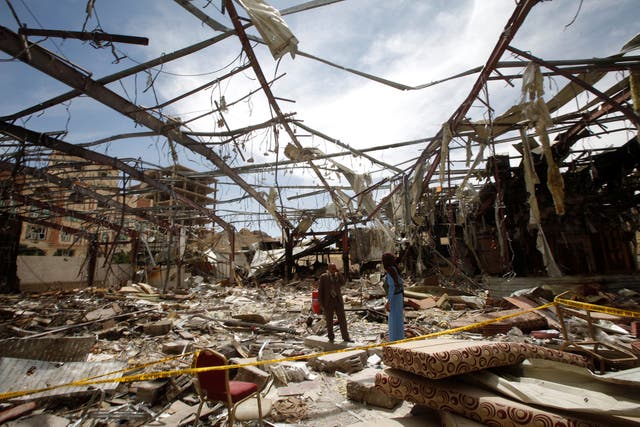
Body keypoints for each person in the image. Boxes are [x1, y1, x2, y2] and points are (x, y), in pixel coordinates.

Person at [317, 263, 352, 343]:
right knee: (329, 320)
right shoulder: (324, 277)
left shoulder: (337, 276)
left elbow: (343, 282)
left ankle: (346, 337)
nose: (333, 270)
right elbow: (320, 291)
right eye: (332, 268)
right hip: (328, 301)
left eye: (335, 268)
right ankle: (331, 337)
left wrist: (339, 273)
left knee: (342, 319)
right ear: (329, 269)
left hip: (338, 300)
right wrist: (321, 304)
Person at [382, 252, 405, 342]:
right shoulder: (394, 269)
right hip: (398, 297)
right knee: (398, 319)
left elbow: (392, 288)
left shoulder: (390, 270)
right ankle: (399, 338)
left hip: (395, 298)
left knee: (393, 320)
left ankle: (394, 340)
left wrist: (389, 302)